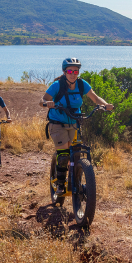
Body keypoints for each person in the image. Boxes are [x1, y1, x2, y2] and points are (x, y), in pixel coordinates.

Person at [39, 57, 114, 195]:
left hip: (74, 122)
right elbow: (42, 100)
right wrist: (47, 103)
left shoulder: (81, 84)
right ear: (64, 71)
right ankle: (60, 186)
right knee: (64, 154)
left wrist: (105, 105)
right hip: (57, 123)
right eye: (70, 71)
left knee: (76, 152)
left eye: (76, 71)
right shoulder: (57, 85)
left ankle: (76, 176)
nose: (73, 74)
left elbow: (95, 98)